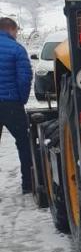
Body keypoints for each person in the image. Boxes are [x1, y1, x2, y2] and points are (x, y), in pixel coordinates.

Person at [0, 17, 33, 195]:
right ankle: (28, 184)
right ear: (11, 29)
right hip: (11, 104)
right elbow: (24, 77)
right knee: (23, 142)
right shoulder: (16, 49)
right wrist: (22, 99)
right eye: (16, 31)